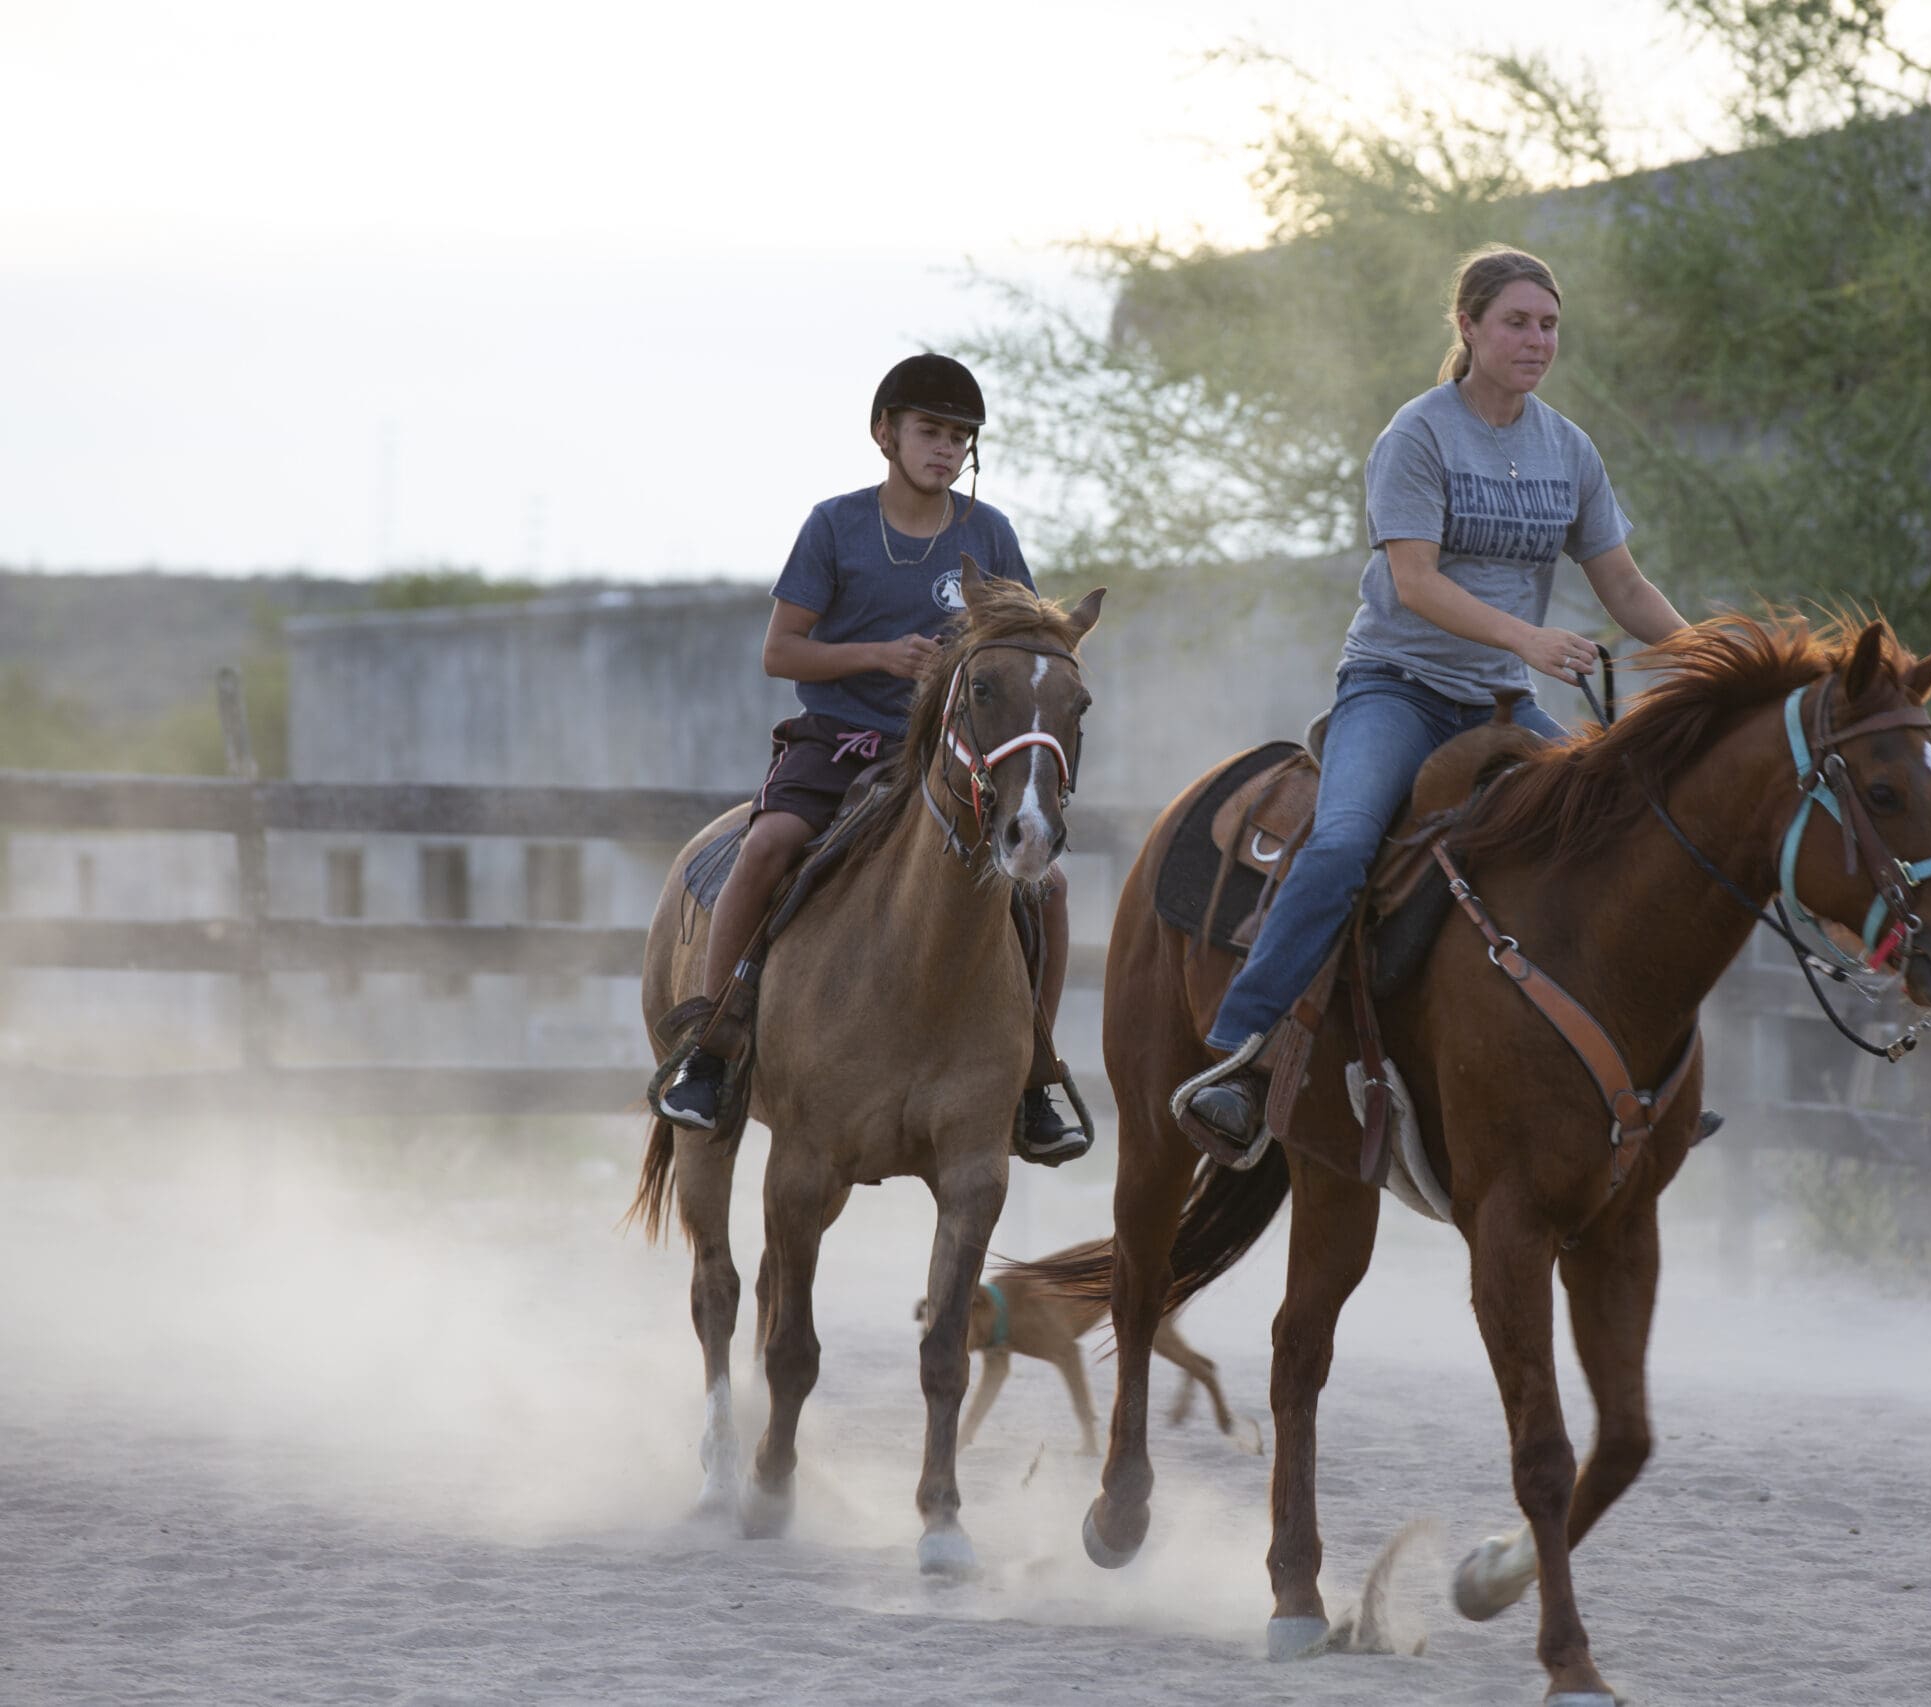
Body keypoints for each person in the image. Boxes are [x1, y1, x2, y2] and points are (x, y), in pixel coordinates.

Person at [1175, 245, 1692, 1153]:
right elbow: (1413, 583)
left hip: (1498, 706)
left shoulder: (1568, 449)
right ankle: (1242, 1054)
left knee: (1617, 837)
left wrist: (1717, 658)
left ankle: (1638, 1072)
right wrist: (1530, 639)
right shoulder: (1418, 435)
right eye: (1518, 322)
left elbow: (1622, 581)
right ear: (1468, 326)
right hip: (1397, 689)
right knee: (1339, 845)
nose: (1539, 340)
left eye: (1550, 324)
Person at [653, 352, 1089, 1165]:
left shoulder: (988, 534)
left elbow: (1027, 639)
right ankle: (711, 1047)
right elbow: (780, 652)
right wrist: (879, 657)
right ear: (885, 433)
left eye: (961, 438)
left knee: (1049, 887)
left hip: (953, 756)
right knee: (768, 845)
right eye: (931, 431)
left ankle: (1033, 1073)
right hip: (842, 741)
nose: (946, 450)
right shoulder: (835, 526)